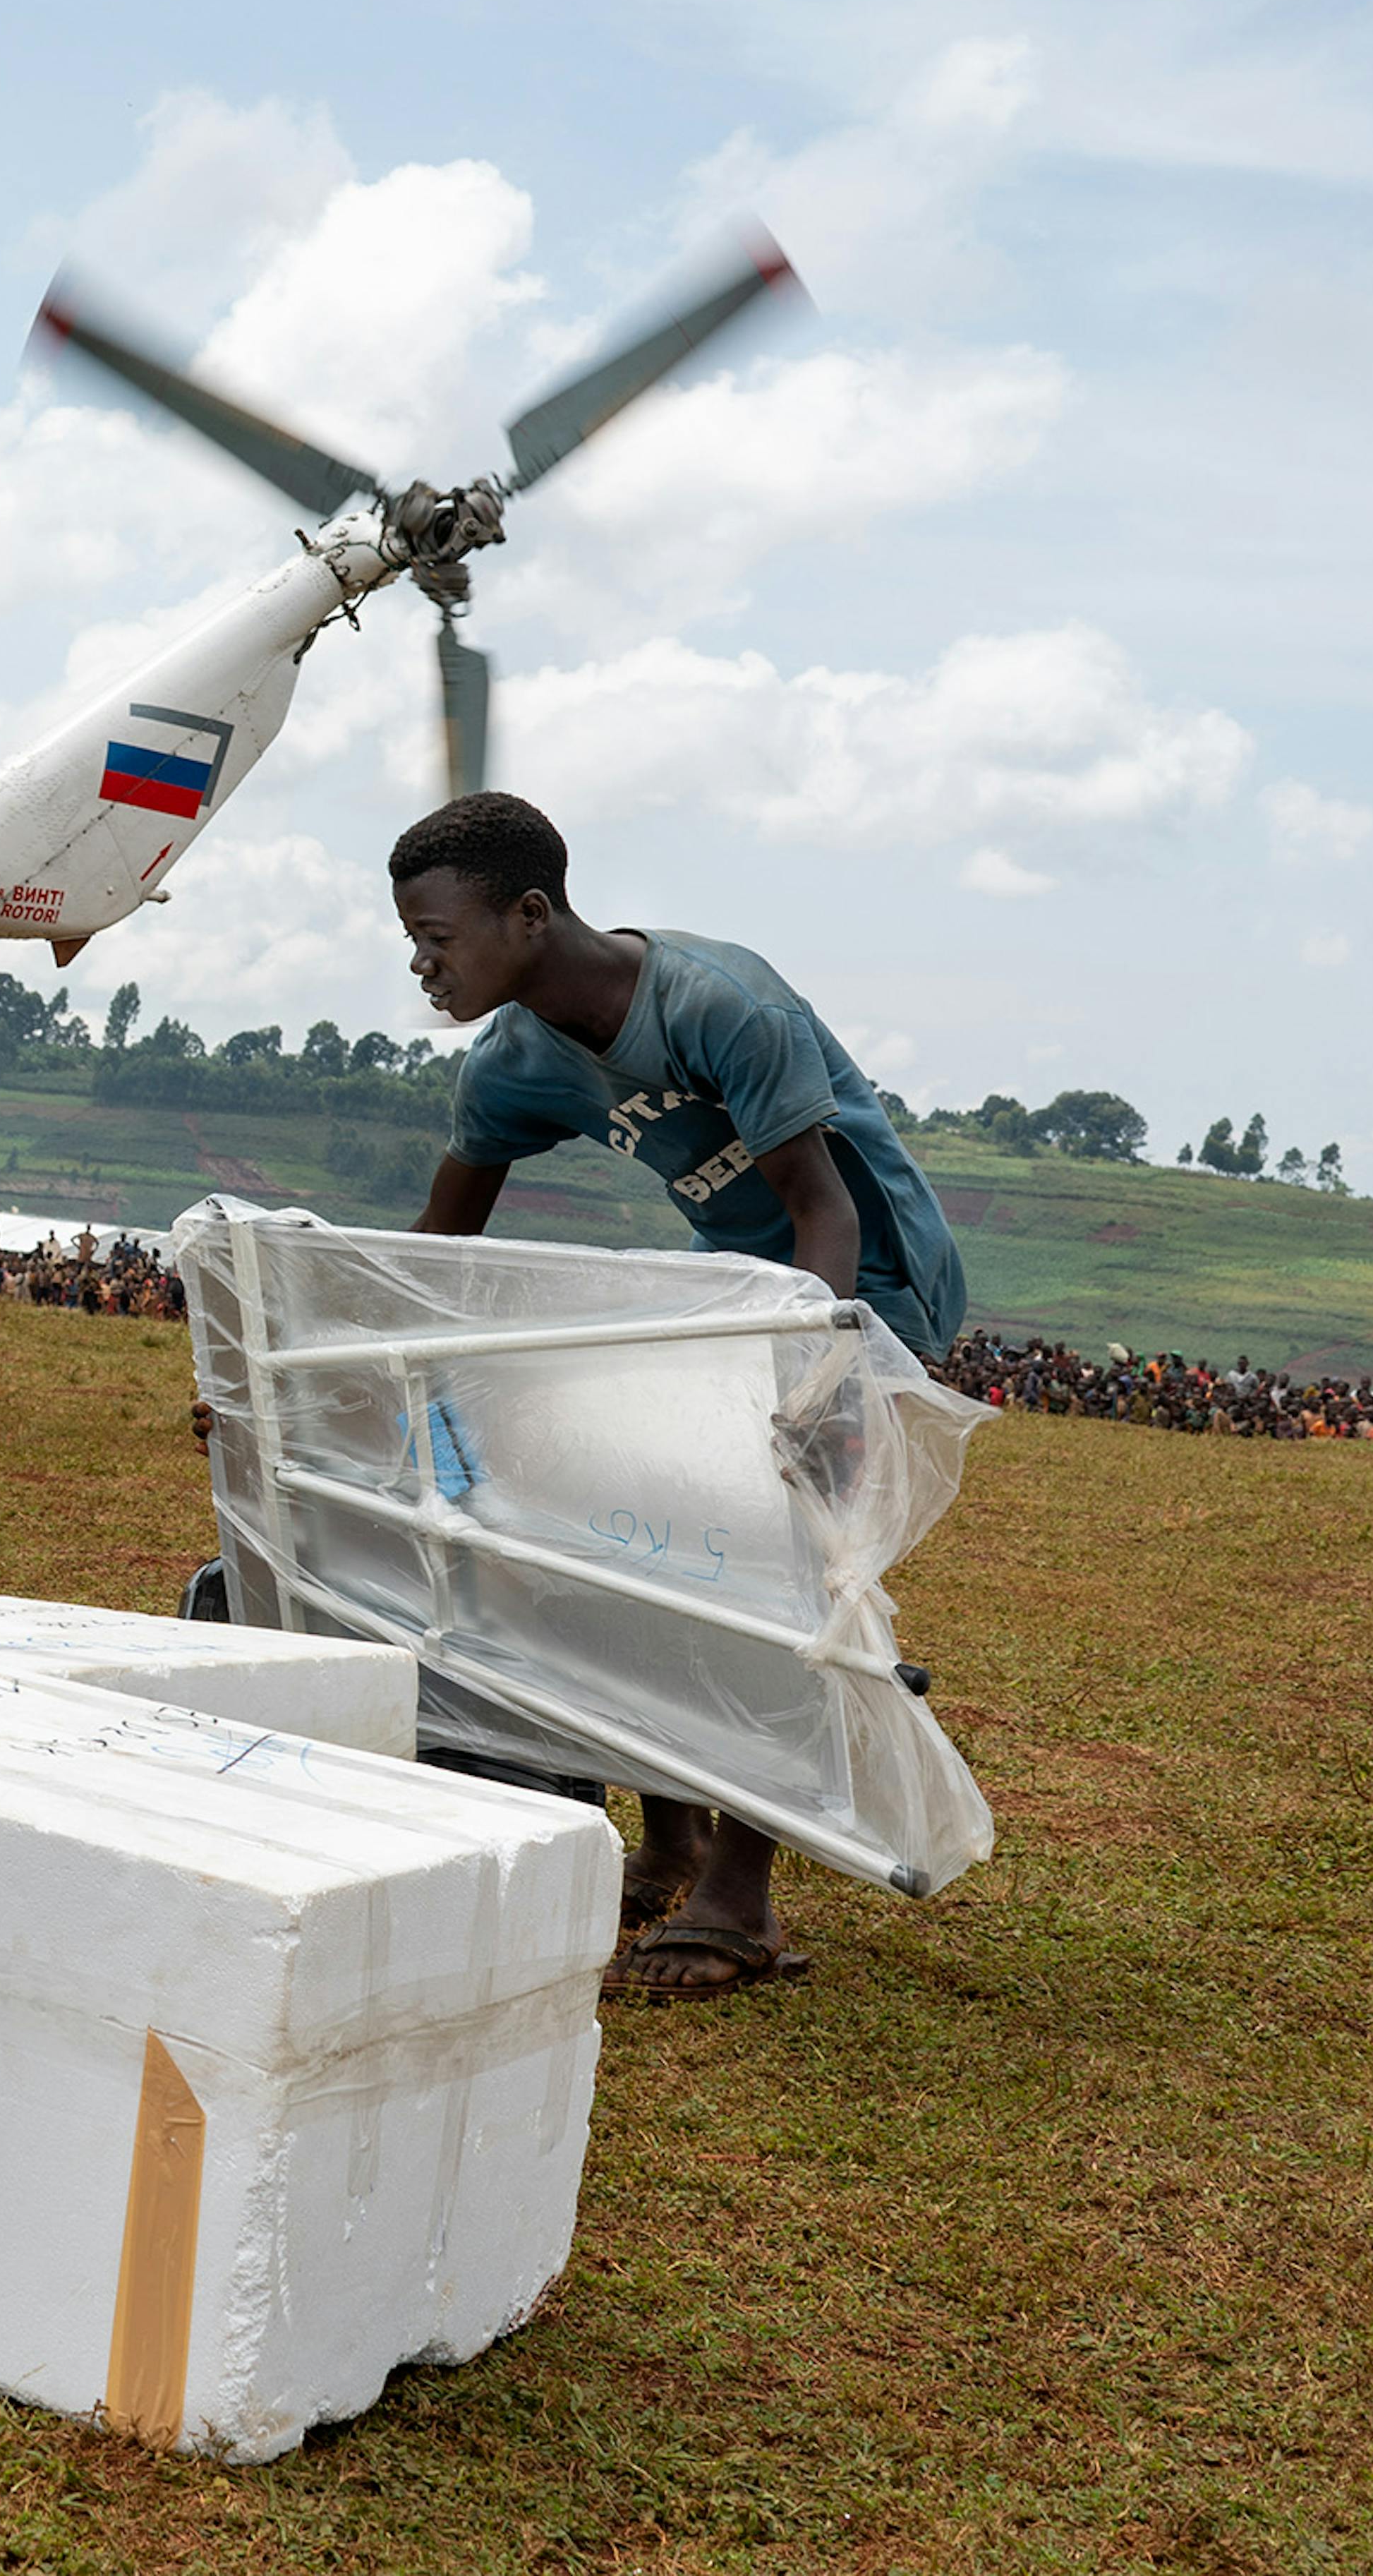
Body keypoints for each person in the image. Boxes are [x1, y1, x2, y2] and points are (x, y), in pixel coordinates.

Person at [387, 788, 969, 2004]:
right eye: (413, 937)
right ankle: (672, 1837)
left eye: (439, 937)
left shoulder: (717, 1002)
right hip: (730, 1289)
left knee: (784, 1566)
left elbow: (824, 1206)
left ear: (530, 913)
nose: (420, 962)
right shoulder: (514, 1065)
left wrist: (822, 1380)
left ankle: (740, 1899)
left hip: (860, 1282)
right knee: (635, 1540)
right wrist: (324, 1371)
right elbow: (440, 1244)